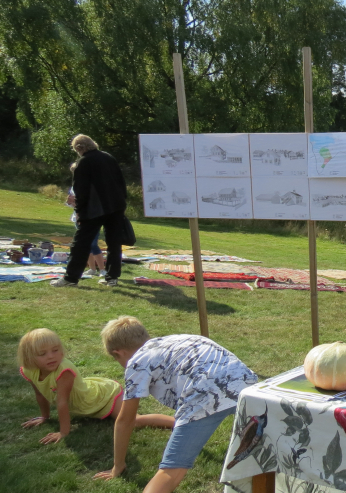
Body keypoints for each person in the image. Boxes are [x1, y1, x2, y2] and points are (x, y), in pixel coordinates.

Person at [94, 316, 258, 493]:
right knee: (264, 444)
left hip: (203, 396)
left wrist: (118, 465)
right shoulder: (181, 338)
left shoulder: (137, 362)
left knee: (171, 471)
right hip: (246, 383)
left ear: (118, 353)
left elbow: (125, 420)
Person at [17, 328, 173, 445]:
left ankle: (179, 423)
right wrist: (45, 417)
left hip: (104, 398)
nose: (51, 356)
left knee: (134, 421)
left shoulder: (64, 371)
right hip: (87, 400)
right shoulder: (28, 370)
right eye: (42, 354)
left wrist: (64, 432)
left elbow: (62, 401)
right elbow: (39, 394)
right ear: (29, 357)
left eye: (55, 350)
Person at [51, 134, 128, 287]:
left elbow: (81, 190)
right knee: (114, 243)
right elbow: (121, 182)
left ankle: (70, 278)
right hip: (116, 206)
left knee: (81, 243)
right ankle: (112, 277)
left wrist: (79, 210)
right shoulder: (109, 158)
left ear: (80, 148)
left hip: (95, 208)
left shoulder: (84, 162)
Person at [66, 183, 106, 277]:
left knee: (93, 244)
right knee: (85, 244)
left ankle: (102, 269)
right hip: (79, 218)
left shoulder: (94, 187)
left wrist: (77, 204)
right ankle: (92, 269)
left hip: (93, 218)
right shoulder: (75, 187)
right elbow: (73, 204)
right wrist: (70, 202)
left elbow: (92, 204)